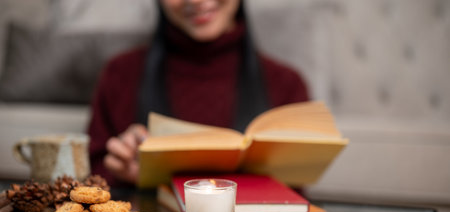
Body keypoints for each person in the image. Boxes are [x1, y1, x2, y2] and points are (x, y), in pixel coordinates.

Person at [87, 0, 310, 187]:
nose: (195, 0)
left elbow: (297, 193)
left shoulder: (287, 85)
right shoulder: (120, 75)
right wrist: (122, 171)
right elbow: (90, 177)